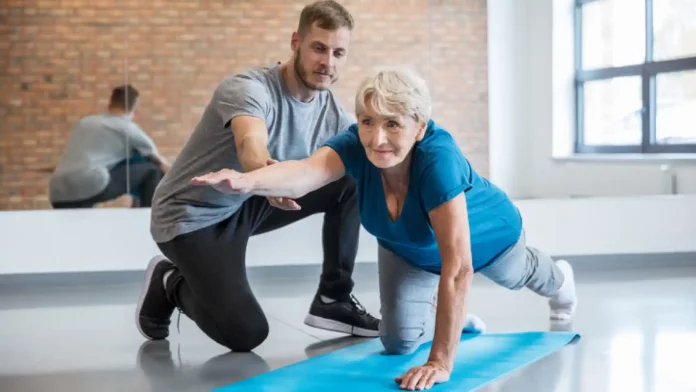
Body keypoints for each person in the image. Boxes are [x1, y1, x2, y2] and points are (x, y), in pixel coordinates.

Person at [190, 66, 578, 390]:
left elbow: (458, 267)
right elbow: (305, 174)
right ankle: (456, 318)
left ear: (419, 127)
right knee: (396, 343)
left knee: (517, 275)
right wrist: (248, 181)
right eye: (368, 122)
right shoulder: (356, 144)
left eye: (393, 124)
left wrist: (441, 360)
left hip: (488, 239)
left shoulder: (438, 160)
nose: (377, 139)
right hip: (406, 247)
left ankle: (560, 280)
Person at [136, 0, 380, 353]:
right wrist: (257, 177)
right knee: (246, 334)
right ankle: (169, 281)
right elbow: (251, 142)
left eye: (339, 53)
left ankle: (334, 298)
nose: (328, 62)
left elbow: (372, 158)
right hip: (191, 217)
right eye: (318, 48)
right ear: (295, 42)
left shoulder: (332, 114)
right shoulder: (249, 89)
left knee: (352, 178)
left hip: (246, 205)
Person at [49, 84, 170, 209]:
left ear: (110, 104)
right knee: (152, 170)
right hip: (89, 185)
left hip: (57, 191)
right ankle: (147, 222)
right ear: (134, 109)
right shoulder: (126, 127)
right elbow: (160, 162)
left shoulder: (85, 122)